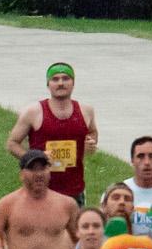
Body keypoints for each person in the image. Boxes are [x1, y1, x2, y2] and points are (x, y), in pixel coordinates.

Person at [9, 61, 96, 204]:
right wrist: (36, 158)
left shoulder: (86, 110)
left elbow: (92, 133)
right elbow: (12, 144)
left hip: (74, 189)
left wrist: (91, 142)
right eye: (55, 79)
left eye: (66, 78)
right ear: (48, 84)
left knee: (74, 227)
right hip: (41, 188)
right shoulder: (33, 111)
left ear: (73, 83)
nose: (60, 83)